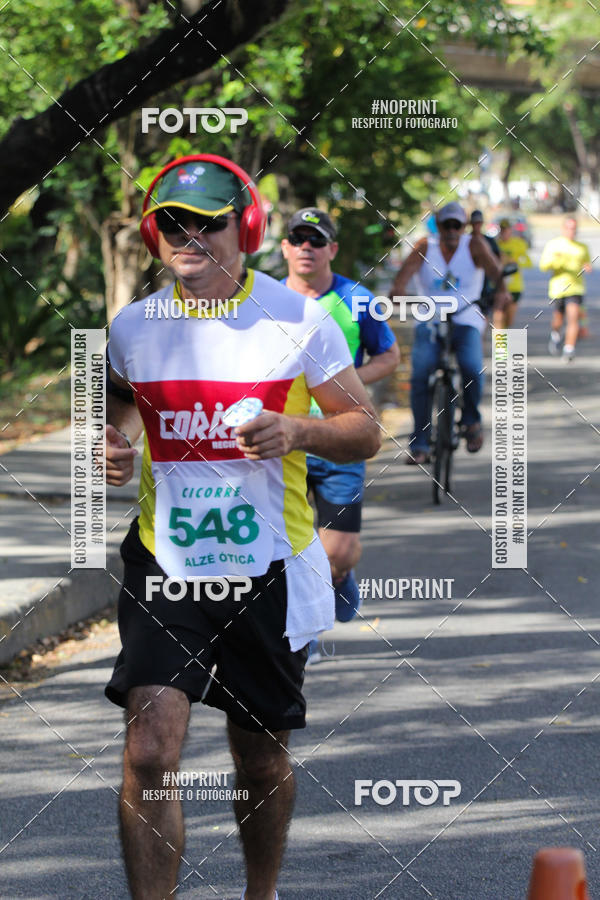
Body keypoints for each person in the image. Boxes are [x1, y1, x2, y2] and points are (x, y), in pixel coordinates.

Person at [104, 154, 380, 900]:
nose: (188, 237)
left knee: (259, 759)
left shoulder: (298, 320)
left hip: (268, 567)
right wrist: (113, 441)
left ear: (246, 229)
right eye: (173, 224)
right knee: (150, 752)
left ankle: (261, 893)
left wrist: (298, 431)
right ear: (154, 235)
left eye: (208, 223)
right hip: (167, 562)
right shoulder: (133, 325)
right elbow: (119, 403)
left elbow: (365, 429)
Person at [281, 208, 399, 637]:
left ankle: (340, 576)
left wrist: (345, 383)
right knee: (279, 551)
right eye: (298, 239)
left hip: (340, 437)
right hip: (282, 441)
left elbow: (389, 355)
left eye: (316, 240)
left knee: (338, 553)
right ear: (285, 248)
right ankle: (301, 635)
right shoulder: (264, 301)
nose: (306, 247)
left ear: (332, 249)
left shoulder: (356, 298)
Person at [391, 201, 510, 464]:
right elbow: (401, 279)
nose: (452, 231)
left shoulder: (474, 245)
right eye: (448, 225)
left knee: (471, 367)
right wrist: (398, 293)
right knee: (420, 374)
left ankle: (471, 421)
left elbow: (496, 273)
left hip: (467, 316)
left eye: (458, 225)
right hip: (430, 317)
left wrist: (502, 292)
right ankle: (420, 443)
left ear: (464, 226)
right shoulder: (425, 246)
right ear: (439, 225)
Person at [540, 216, 592, 361]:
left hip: (576, 288)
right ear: (563, 229)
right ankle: (556, 333)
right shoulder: (554, 245)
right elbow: (544, 265)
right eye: (569, 228)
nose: (571, 231)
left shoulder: (582, 247)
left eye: (574, 228)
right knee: (558, 320)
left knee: (573, 318)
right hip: (558, 289)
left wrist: (586, 267)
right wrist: (558, 261)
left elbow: (587, 264)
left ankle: (569, 349)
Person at [495, 217, 532, 328]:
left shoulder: (519, 244)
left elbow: (528, 263)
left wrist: (514, 261)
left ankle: (505, 337)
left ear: (511, 230)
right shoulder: (495, 244)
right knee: (499, 316)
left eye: (507, 229)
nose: (504, 232)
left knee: (509, 319)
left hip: (514, 287)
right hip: (498, 286)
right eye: (502, 230)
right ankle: (499, 339)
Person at [469, 209, 501, 317]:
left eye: (479, 222)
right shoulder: (465, 240)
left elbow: (497, 261)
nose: (476, 225)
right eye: (474, 222)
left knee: (484, 315)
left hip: (485, 284)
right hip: (469, 284)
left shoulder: (489, 241)